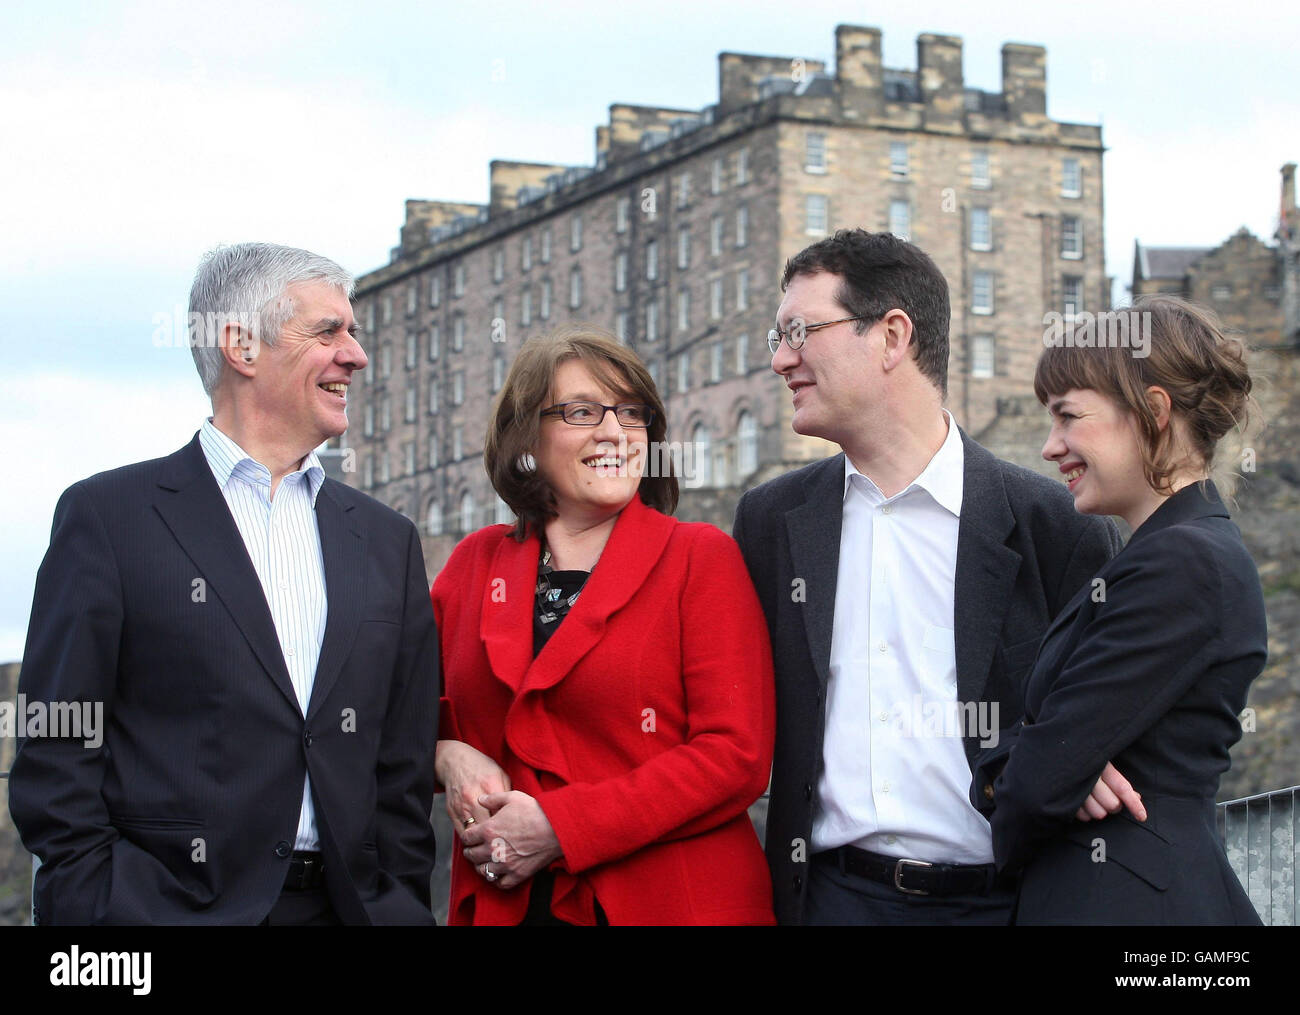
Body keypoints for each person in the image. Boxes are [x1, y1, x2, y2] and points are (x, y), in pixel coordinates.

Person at [9, 243, 439, 925]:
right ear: (240, 344)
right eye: (329, 331)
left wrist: (401, 904)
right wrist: (101, 905)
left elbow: (403, 764)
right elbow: (55, 742)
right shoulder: (111, 518)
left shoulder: (387, 539)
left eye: (352, 333)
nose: (355, 355)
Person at [732, 229, 1120, 925]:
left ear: (891, 337)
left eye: (798, 331)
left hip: (1007, 904)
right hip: (826, 901)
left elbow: (1122, 716)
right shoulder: (769, 521)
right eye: (777, 335)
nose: (779, 357)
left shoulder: (1058, 528)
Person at [431, 325, 775, 925]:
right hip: (508, 905)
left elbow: (735, 755)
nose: (614, 432)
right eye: (582, 411)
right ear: (527, 437)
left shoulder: (700, 557)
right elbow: (383, 716)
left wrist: (562, 827)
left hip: (669, 904)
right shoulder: (473, 564)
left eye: (631, 413)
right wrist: (444, 754)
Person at [970, 295, 1265, 924]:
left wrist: (1037, 773)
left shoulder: (1184, 562)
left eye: (1069, 417)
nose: (1051, 448)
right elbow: (1045, 759)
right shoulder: (1165, 553)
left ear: (1153, 412)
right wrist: (1041, 765)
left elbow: (1040, 778)